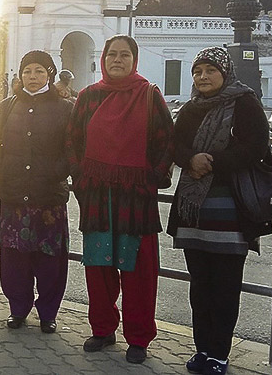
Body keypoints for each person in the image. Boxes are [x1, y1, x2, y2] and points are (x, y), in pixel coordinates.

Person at [66, 35, 173, 364]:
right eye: (112, 54)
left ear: (134, 60)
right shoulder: (88, 97)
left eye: (124, 55)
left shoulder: (149, 96)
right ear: (103, 59)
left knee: (138, 271)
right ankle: (102, 328)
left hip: (135, 198)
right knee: (98, 267)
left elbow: (166, 141)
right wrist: (82, 177)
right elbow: (73, 142)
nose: (117, 60)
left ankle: (138, 337)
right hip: (98, 196)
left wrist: (151, 177)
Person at [167, 47, 271, 375]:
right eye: (198, 72)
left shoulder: (245, 103)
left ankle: (220, 355)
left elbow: (256, 147)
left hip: (231, 212)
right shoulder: (191, 108)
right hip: (194, 214)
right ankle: (202, 349)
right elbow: (174, 143)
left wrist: (209, 161)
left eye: (210, 70)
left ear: (225, 71)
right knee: (200, 286)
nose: (203, 77)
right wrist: (188, 159)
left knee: (225, 287)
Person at [0, 50, 72, 332]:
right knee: (14, 260)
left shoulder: (65, 108)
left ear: (50, 74)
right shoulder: (7, 107)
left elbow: (74, 149)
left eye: (39, 71)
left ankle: (48, 313)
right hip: (14, 196)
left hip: (49, 199)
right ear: (19, 76)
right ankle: (18, 308)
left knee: (50, 261)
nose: (32, 77)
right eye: (27, 72)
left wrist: (56, 173)